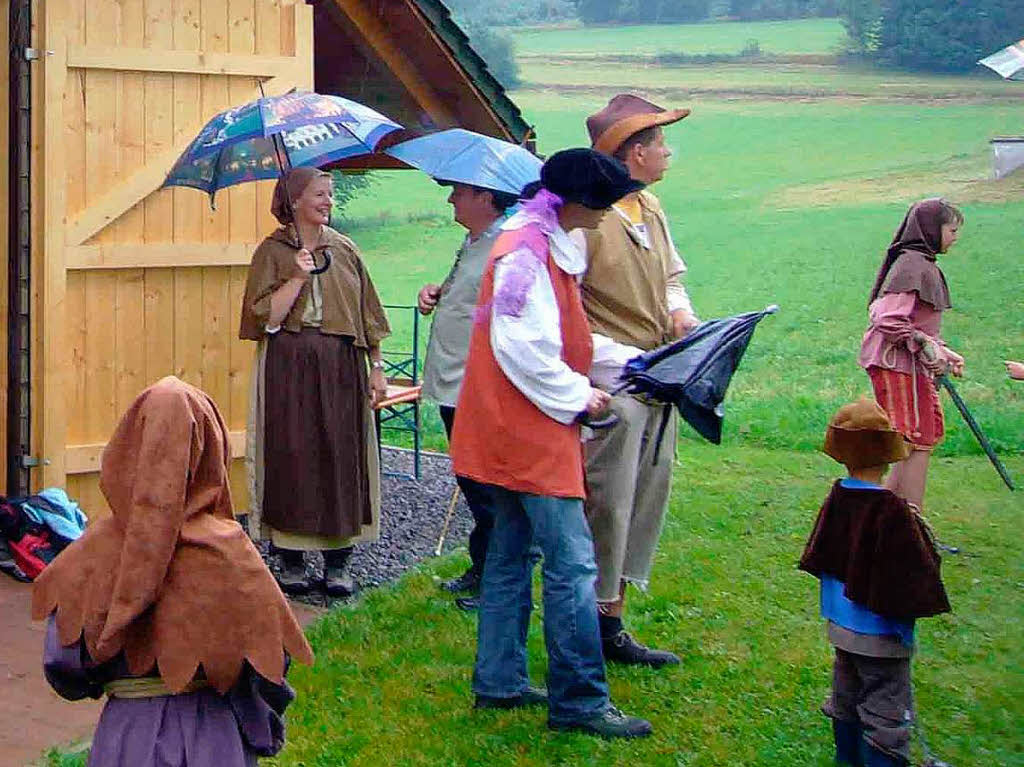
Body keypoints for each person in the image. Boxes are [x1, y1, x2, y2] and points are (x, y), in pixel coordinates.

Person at [450, 148, 653, 739]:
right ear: (579, 204)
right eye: (602, 206)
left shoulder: (539, 241)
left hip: (504, 426)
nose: (605, 216)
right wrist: (578, 396)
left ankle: (500, 682)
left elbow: (567, 337)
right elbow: (525, 348)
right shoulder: (527, 255)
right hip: (530, 429)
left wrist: (637, 363)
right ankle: (580, 702)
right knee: (572, 566)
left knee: (511, 556)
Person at [32, 377, 315, 766]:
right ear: (210, 452)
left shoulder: (92, 553)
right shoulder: (231, 555)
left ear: (129, 449)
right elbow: (270, 667)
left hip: (126, 739)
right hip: (214, 741)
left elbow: (64, 665)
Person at [577, 93, 699, 667]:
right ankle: (587, 623)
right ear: (634, 153)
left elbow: (672, 276)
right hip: (611, 389)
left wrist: (682, 316)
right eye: (661, 144)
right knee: (607, 502)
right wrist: (623, 361)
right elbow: (566, 315)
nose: (669, 154)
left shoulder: (649, 208)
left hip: (658, 378)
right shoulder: (586, 221)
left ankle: (614, 621)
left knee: (647, 495)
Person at [240, 167, 390, 597]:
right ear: (294, 201)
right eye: (320, 194)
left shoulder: (344, 249)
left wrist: (376, 367)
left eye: (330, 194)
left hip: (341, 364)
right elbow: (264, 317)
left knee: (341, 453)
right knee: (292, 453)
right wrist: (297, 277)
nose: (328, 201)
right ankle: (290, 559)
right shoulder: (272, 251)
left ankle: (338, 560)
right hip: (288, 363)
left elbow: (368, 314)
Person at [799, 398, 951, 767]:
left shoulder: (838, 496)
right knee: (885, 708)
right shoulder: (892, 511)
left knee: (847, 697)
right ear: (888, 456)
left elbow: (822, 556)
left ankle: (847, 758)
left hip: (841, 628)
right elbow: (909, 576)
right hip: (880, 635)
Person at [418, 181, 520, 606]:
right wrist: (436, 293)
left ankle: (498, 581)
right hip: (452, 381)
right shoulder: (474, 242)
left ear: (484, 197)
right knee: (473, 480)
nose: (450, 199)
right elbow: (467, 297)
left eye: (458, 192)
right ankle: (483, 568)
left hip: (476, 385)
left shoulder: (507, 247)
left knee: (487, 487)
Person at [858, 198, 965, 512]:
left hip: (910, 366)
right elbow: (888, 320)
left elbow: (917, 325)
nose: (955, 237)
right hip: (896, 366)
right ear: (933, 229)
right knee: (913, 439)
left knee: (920, 438)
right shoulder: (912, 266)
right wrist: (926, 344)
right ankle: (907, 525)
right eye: (952, 230)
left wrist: (943, 350)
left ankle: (892, 520)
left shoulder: (921, 264)